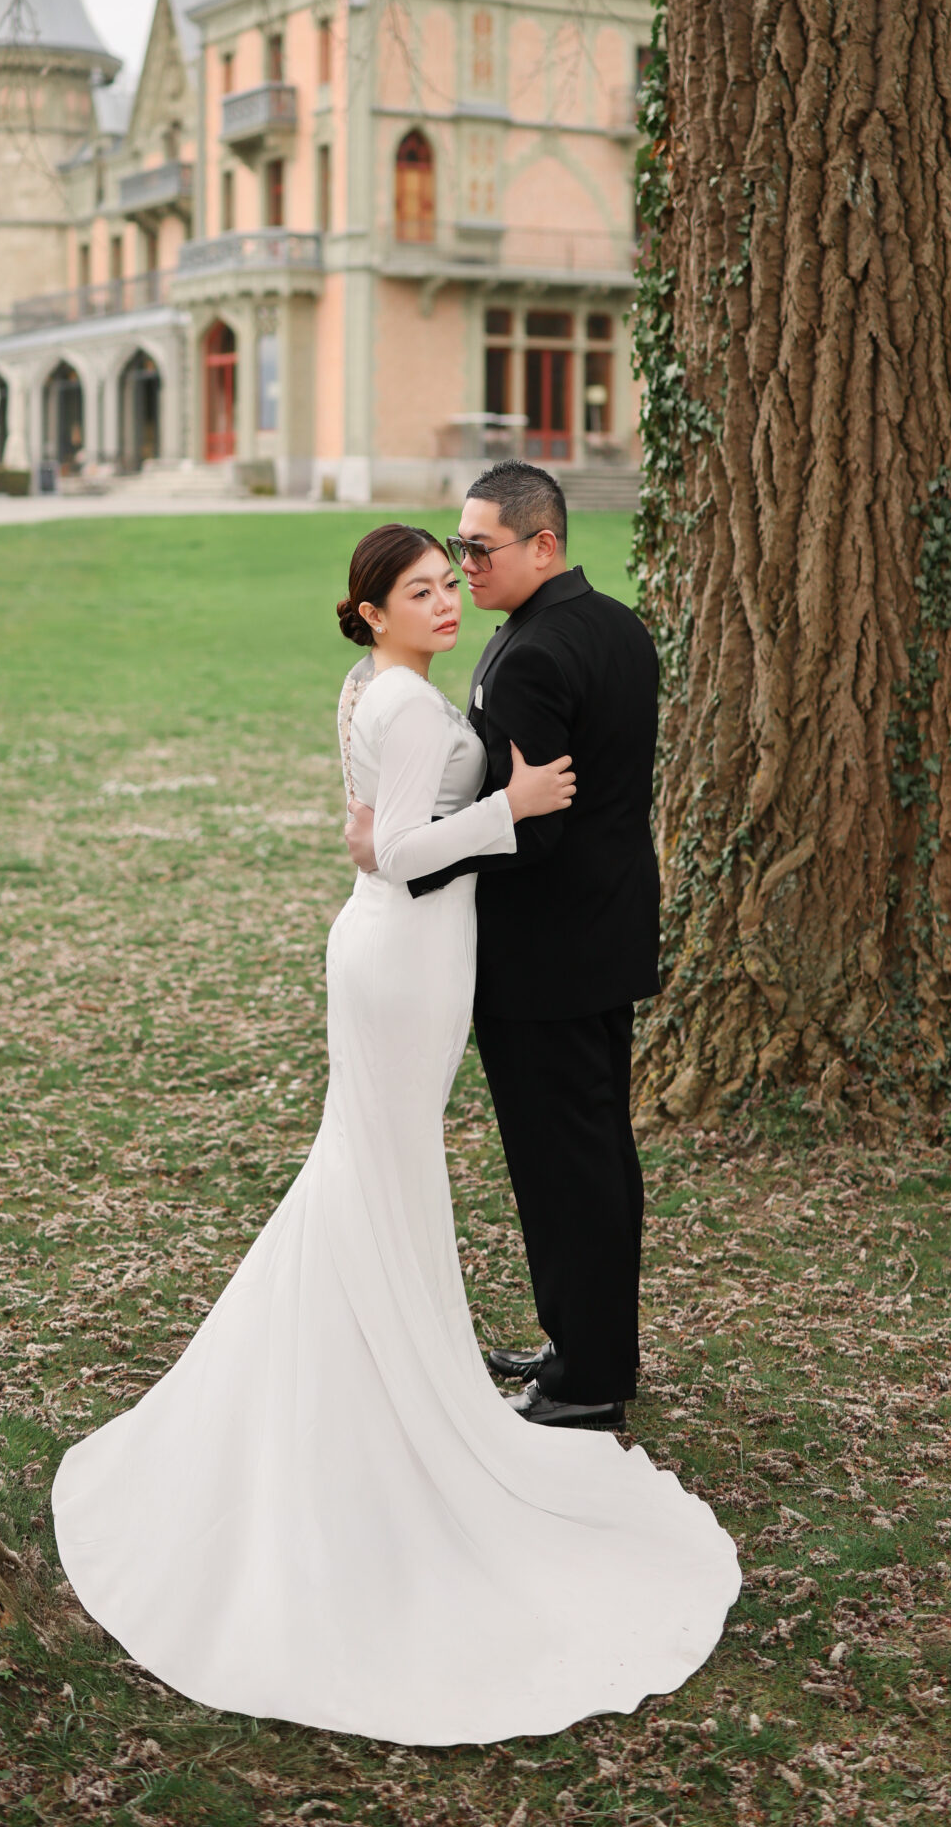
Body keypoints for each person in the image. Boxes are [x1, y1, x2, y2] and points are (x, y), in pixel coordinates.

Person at [51, 523, 739, 1744]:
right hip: (409, 953)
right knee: (379, 1166)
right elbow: (409, 852)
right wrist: (510, 804)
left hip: (383, 946)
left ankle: (369, 1373)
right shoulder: (414, 706)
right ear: (372, 611)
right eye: (421, 589)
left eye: (447, 581)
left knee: (371, 1166)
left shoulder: (370, 688)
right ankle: (373, 1399)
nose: (445, 599)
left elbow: (369, 830)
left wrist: (414, 829)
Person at [346, 461, 660, 1431]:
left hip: (544, 957)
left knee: (563, 1167)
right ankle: (587, 1345)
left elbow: (535, 829)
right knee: (597, 1155)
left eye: (478, 550)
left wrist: (403, 860)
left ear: (544, 545)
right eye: (459, 548)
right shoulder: (618, 625)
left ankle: (588, 1381)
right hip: (608, 932)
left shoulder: (527, 656)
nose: (466, 566)